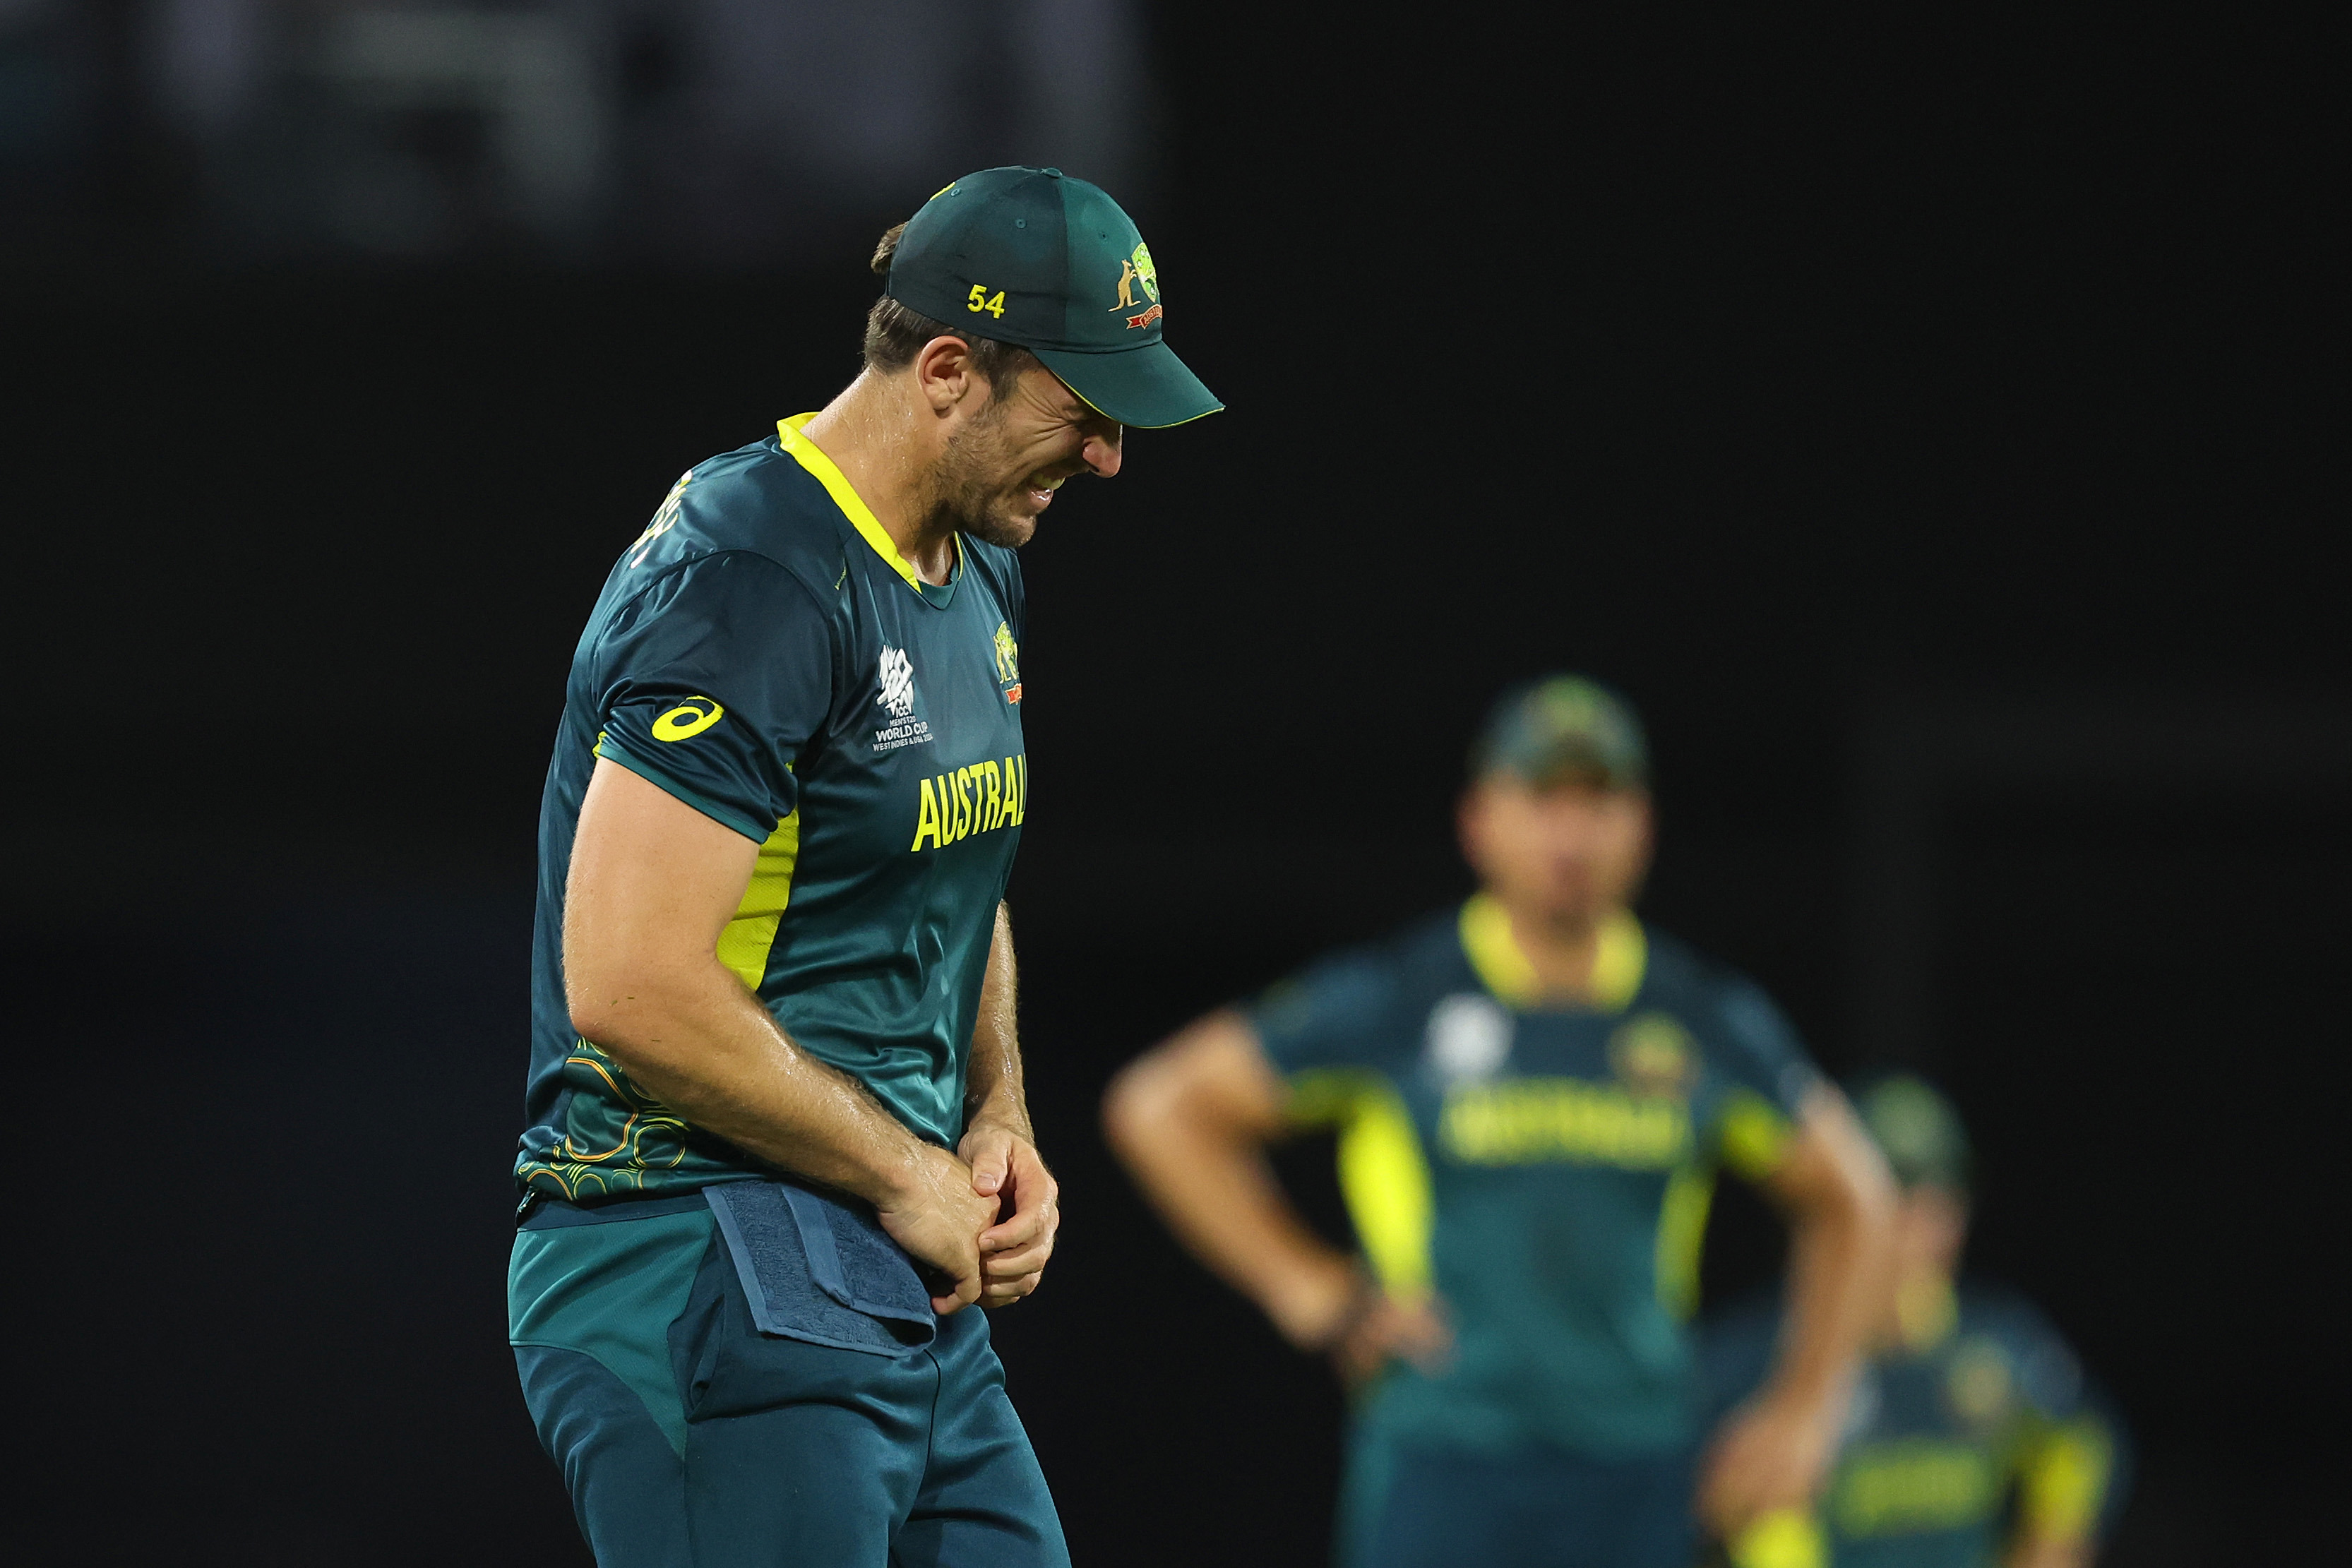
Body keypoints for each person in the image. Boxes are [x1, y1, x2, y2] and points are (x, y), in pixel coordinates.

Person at [506, 165, 1220, 1567]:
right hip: (688, 1242)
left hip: (889, 1266)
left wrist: (994, 1116)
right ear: (949, 369)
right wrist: (901, 1169)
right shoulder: (750, 579)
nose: (1108, 458)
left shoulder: (974, 558)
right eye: (1084, 413)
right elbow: (631, 982)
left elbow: (952, 876)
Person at [1103, 676, 1897, 1568]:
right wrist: (1310, 1288)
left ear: (1641, 824)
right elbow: (1162, 1108)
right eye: (1542, 799)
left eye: (1597, 801)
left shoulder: (1701, 1019)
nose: (1571, 834)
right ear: (1478, 820)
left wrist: (1810, 1409)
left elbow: (1856, 1195)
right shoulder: (1404, 999)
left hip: (1633, 1464)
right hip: (1447, 1458)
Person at [1702, 1076, 2126, 1568]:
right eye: (1895, 1191)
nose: (1924, 1222)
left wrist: (2048, 1545)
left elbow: (2083, 1437)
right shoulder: (1751, 1356)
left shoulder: (1996, 1345)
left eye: (1943, 1192)